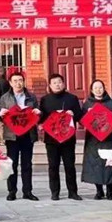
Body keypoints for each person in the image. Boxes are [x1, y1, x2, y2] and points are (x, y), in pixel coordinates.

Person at [39, 73, 84, 201]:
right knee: (53, 166)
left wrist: (72, 114)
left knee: (70, 166)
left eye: (59, 82)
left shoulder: (72, 98)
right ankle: (55, 192)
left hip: (68, 138)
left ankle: (73, 192)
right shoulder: (45, 100)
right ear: (50, 85)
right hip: (51, 139)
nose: (57, 85)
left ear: (63, 84)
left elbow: (80, 116)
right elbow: (41, 118)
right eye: (54, 83)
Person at [0, 71, 40, 201]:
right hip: (12, 135)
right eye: (15, 81)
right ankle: (12, 191)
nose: (18, 83)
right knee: (12, 164)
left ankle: (28, 191)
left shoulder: (31, 97)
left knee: (27, 164)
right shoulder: (5, 98)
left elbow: (37, 114)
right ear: (10, 83)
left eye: (20, 80)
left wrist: (38, 113)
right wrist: (0, 114)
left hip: (28, 134)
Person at [81, 80, 112, 200]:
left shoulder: (111, 103)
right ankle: (99, 191)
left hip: (110, 139)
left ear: (104, 89)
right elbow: (82, 121)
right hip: (93, 140)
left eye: (100, 87)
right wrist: (87, 115)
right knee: (95, 164)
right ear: (92, 90)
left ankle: (110, 191)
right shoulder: (87, 104)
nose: (98, 90)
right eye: (95, 88)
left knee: (109, 163)